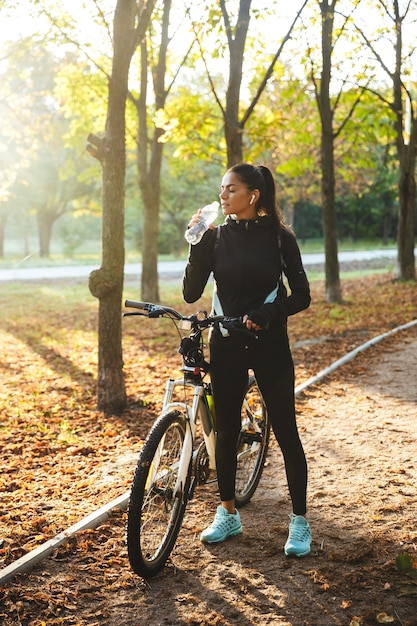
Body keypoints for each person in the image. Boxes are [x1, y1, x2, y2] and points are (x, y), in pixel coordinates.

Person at [182, 163, 312, 557]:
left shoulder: (279, 238)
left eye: (230, 189)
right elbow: (190, 294)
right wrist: (195, 242)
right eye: (221, 190)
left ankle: (300, 521)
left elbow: (302, 295)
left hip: (270, 346)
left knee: (287, 432)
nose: (222, 196)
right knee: (225, 431)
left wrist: (268, 315)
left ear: (252, 195)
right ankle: (227, 513)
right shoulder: (215, 237)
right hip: (225, 344)